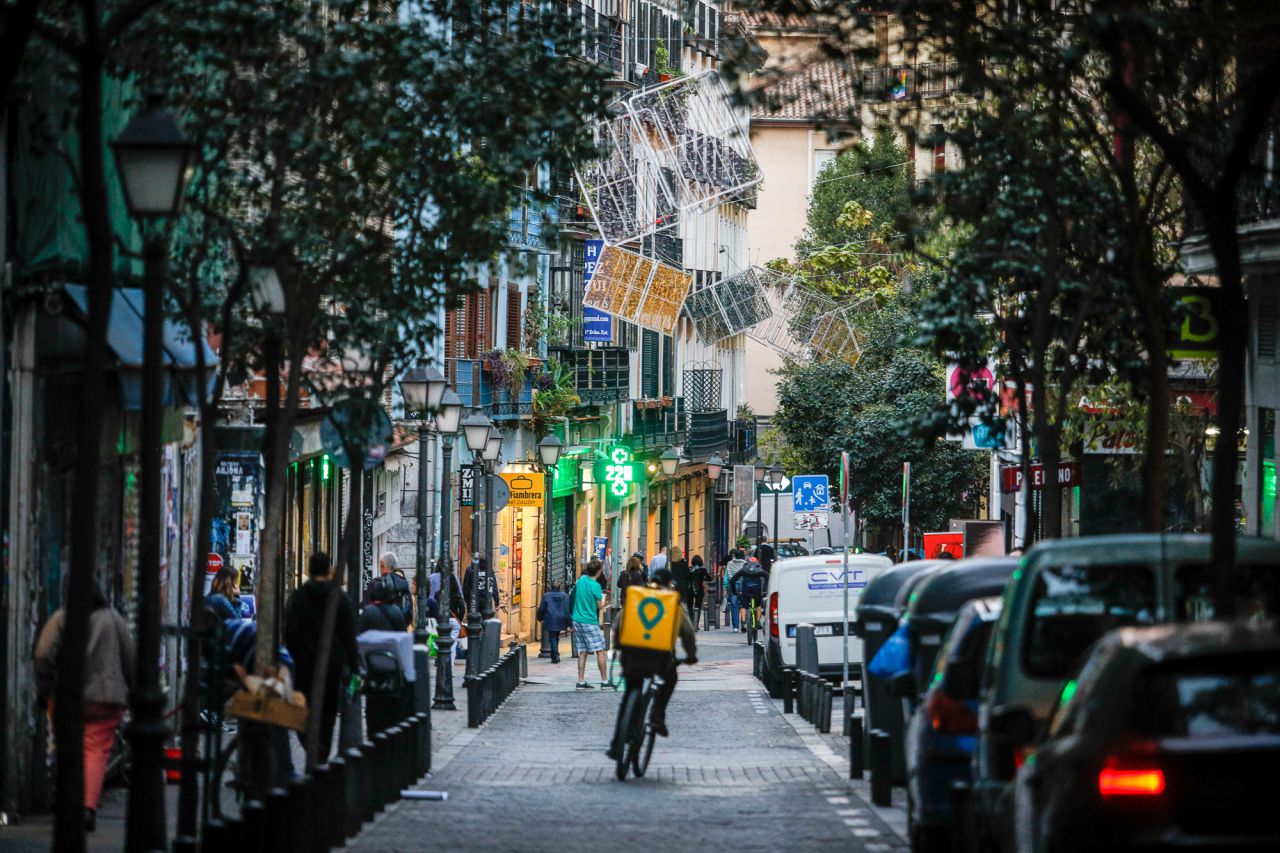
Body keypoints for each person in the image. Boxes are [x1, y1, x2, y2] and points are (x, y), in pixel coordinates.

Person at [33, 580, 134, 832]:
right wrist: (133, 689)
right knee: (96, 752)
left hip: (68, 696)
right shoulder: (114, 619)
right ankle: (87, 807)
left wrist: (46, 687)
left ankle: (66, 800)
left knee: (67, 747)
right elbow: (130, 657)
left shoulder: (62, 618)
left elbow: (43, 654)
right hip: (106, 698)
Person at [607, 567, 697, 759]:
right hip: (659, 658)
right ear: (669, 583)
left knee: (629, 695)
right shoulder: (672, 602)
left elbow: (618, 623)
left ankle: (617, 744)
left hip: (631, 655)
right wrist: (691, 655)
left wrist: (616, 646)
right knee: (670, 679)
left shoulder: (638, 596)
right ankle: (657, 714)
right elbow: (687, 633)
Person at [284, 552, 361, 763]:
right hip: (331, 665)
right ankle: (321, 755)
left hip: (304, 664)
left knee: (301, 710)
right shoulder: (339, 598)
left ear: (309, 569)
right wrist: (354, 667)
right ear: (328, 570)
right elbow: (349, 636)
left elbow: (289, 632)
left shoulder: (299, 596)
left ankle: (310, 744)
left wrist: (295, 655)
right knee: (327, 714)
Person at [569, 559, 608, 689]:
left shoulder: (581, 581)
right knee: (600, 650)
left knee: (583, 651)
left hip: (577, 620)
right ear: (598, 571)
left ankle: (580, 681)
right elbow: (600, 606)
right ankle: (604, 680)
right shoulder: (595, 586)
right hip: (589, 621)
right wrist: (604, 599)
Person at [365, 552, 413, 628]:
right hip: (398, 632)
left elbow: (366, 607)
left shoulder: (375, 584)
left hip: (378, 632)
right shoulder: (404, 583)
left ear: (382, 566)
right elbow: (409, 610)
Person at [730, 555, 769, 632]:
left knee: (744, 606)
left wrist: (734, 592)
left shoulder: (744, 569)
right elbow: (768, 577)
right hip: (757, 589)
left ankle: (744, 623)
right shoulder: (759, 570)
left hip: (746, 589)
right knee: (758, 605)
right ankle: (757, 622)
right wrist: (765, 590)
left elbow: (732, 580)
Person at [536, 581, 571, 663]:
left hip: (550, 618)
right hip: (561, 618)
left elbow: (542, 608)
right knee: (556, 636)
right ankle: (555, 653)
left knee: (552, 637)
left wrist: (539, 617)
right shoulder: (565, 596)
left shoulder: (546, 595)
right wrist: (568, 621)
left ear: (551, 587)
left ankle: (555, 655)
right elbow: (567, 609)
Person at [723, 549, 745, 630]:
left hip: (732, 585)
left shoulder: (729, 563)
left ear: (734, 555)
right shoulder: (744, 563)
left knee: (734, 605)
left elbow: (726, 577)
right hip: (742, 585)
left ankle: (735, 626)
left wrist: (725, 588)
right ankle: (744, 623)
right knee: (744, 604)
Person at [688, 554, 709, 627]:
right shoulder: (703, 569)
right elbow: (710, 578)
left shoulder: (690, 569)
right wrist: (703, 578)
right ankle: (696, 624)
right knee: (698, 606)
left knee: (689, 606)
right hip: (700, 590)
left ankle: (691, 622)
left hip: (690, 590)